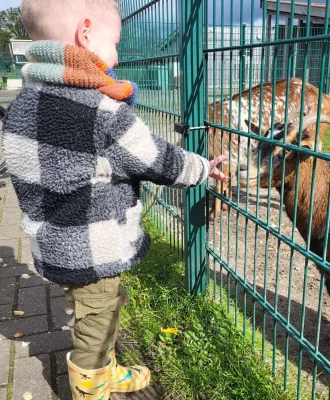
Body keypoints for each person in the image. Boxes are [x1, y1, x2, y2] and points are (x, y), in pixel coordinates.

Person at [2, 0, 228, 398]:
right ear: (85, 33)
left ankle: (104, 371)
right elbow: (156, 159)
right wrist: (201, 168)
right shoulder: (103, 111)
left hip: (53, 243)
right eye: (116, 40)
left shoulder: (22, 106)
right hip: (93, 248)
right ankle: (91, 387)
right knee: (98, 320)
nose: (118, 54)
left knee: (97, 307)